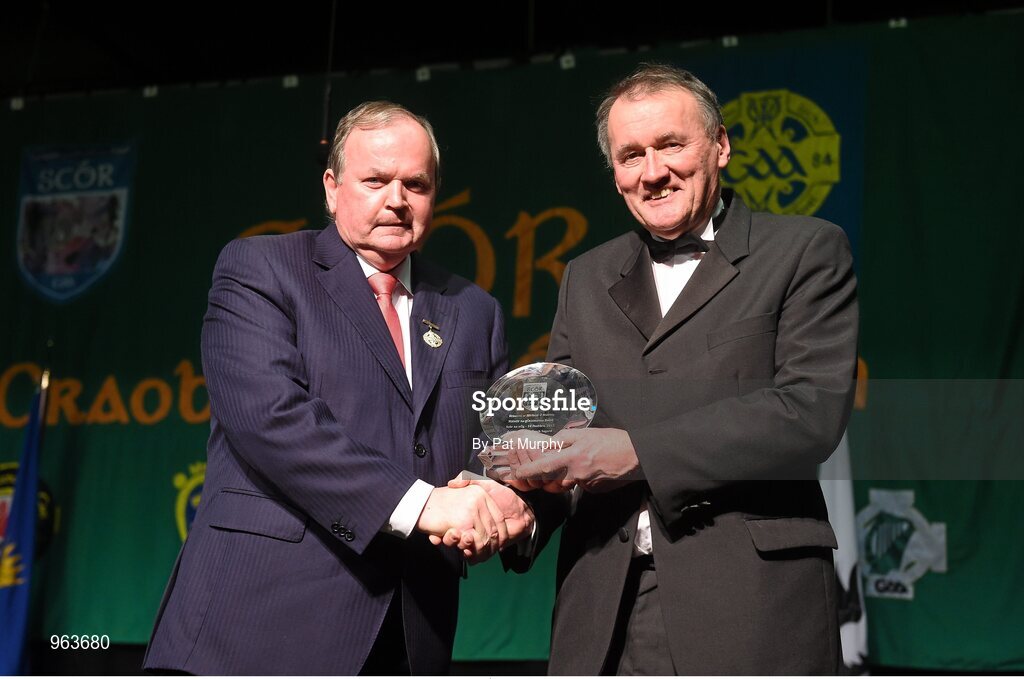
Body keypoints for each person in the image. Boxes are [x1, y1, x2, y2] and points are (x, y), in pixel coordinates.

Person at [144, 101, 532, 675]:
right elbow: (270, 419)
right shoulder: (260, 269)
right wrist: (428, 505)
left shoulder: (475, 311)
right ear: (332, 188)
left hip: (407, 638)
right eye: (375, 180)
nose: (396, 199)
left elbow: (491, 449)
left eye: (415, 184)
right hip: (253, 629)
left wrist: (508, 501)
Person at [502, 64, 858, 674]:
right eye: (631, 155)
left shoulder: (805, 250)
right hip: (603, 609)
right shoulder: (585, 277)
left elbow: (809, 412)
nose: (653, 172)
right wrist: (516, 503)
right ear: (614, 173)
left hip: (750, 604)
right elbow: (563, 428)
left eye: (671, 145)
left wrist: (634, 451)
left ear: (720, 145)